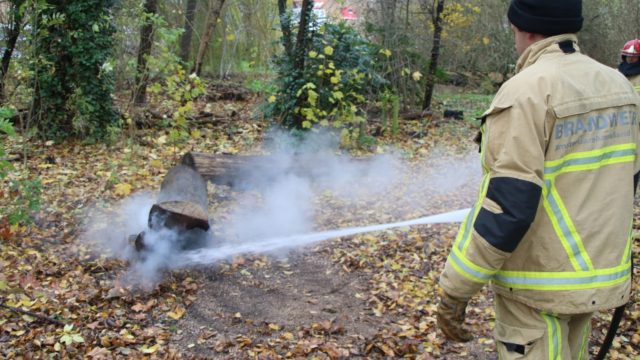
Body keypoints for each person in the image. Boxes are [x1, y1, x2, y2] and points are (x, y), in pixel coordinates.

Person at [436, 0, 640, 359]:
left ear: (525, 28)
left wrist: (455, 290)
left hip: (538, 281)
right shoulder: (619, 87)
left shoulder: (526, 91)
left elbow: (508, 206)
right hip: (594, 275)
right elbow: (627, 180)